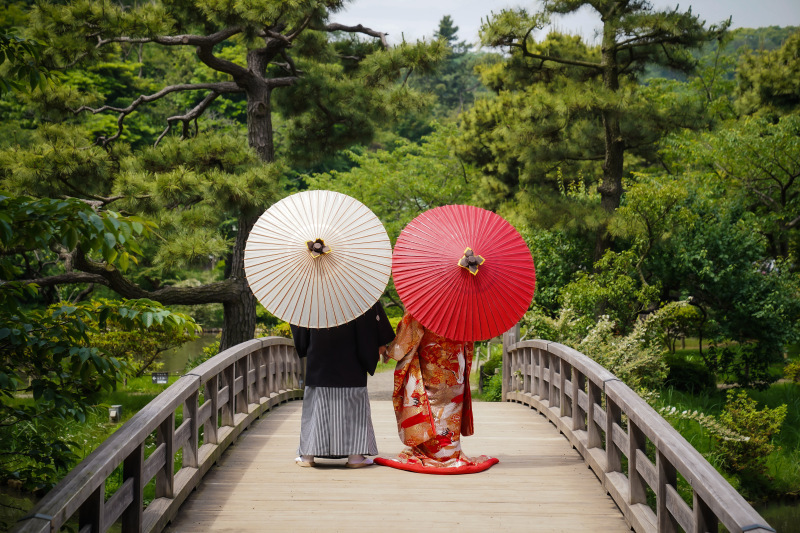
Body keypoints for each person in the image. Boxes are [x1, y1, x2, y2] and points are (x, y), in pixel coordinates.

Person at [375, 313, 499, 474]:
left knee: (431, 406)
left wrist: (390, 351)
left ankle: (431, 452)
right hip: (455, 366)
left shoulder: (423, 308)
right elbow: (470, 340)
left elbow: (406, 337)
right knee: (451, 407)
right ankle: (450, 452)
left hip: (431, 365)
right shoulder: (465, 309)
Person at [290, 301, 395, 468]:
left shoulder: (310, 295)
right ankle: (355, 457)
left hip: (319, 361)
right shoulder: (360, 293)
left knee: (316, 407)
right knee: (353, 407)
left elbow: (300, 334)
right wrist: (378, 345)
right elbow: (374, 330)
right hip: (351, 362)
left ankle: (307, 455)